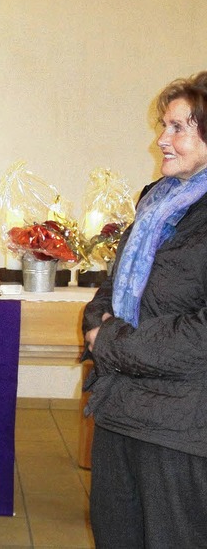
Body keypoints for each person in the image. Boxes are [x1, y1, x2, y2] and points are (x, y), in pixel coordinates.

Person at [82, 71, 207, 548]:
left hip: (181, 427)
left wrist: (110, 341)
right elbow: (113, 287)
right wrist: (97, 322)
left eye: (179, 128)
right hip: (120, 408)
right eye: (164, 125)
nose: (162, 139)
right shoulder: (154, 201)